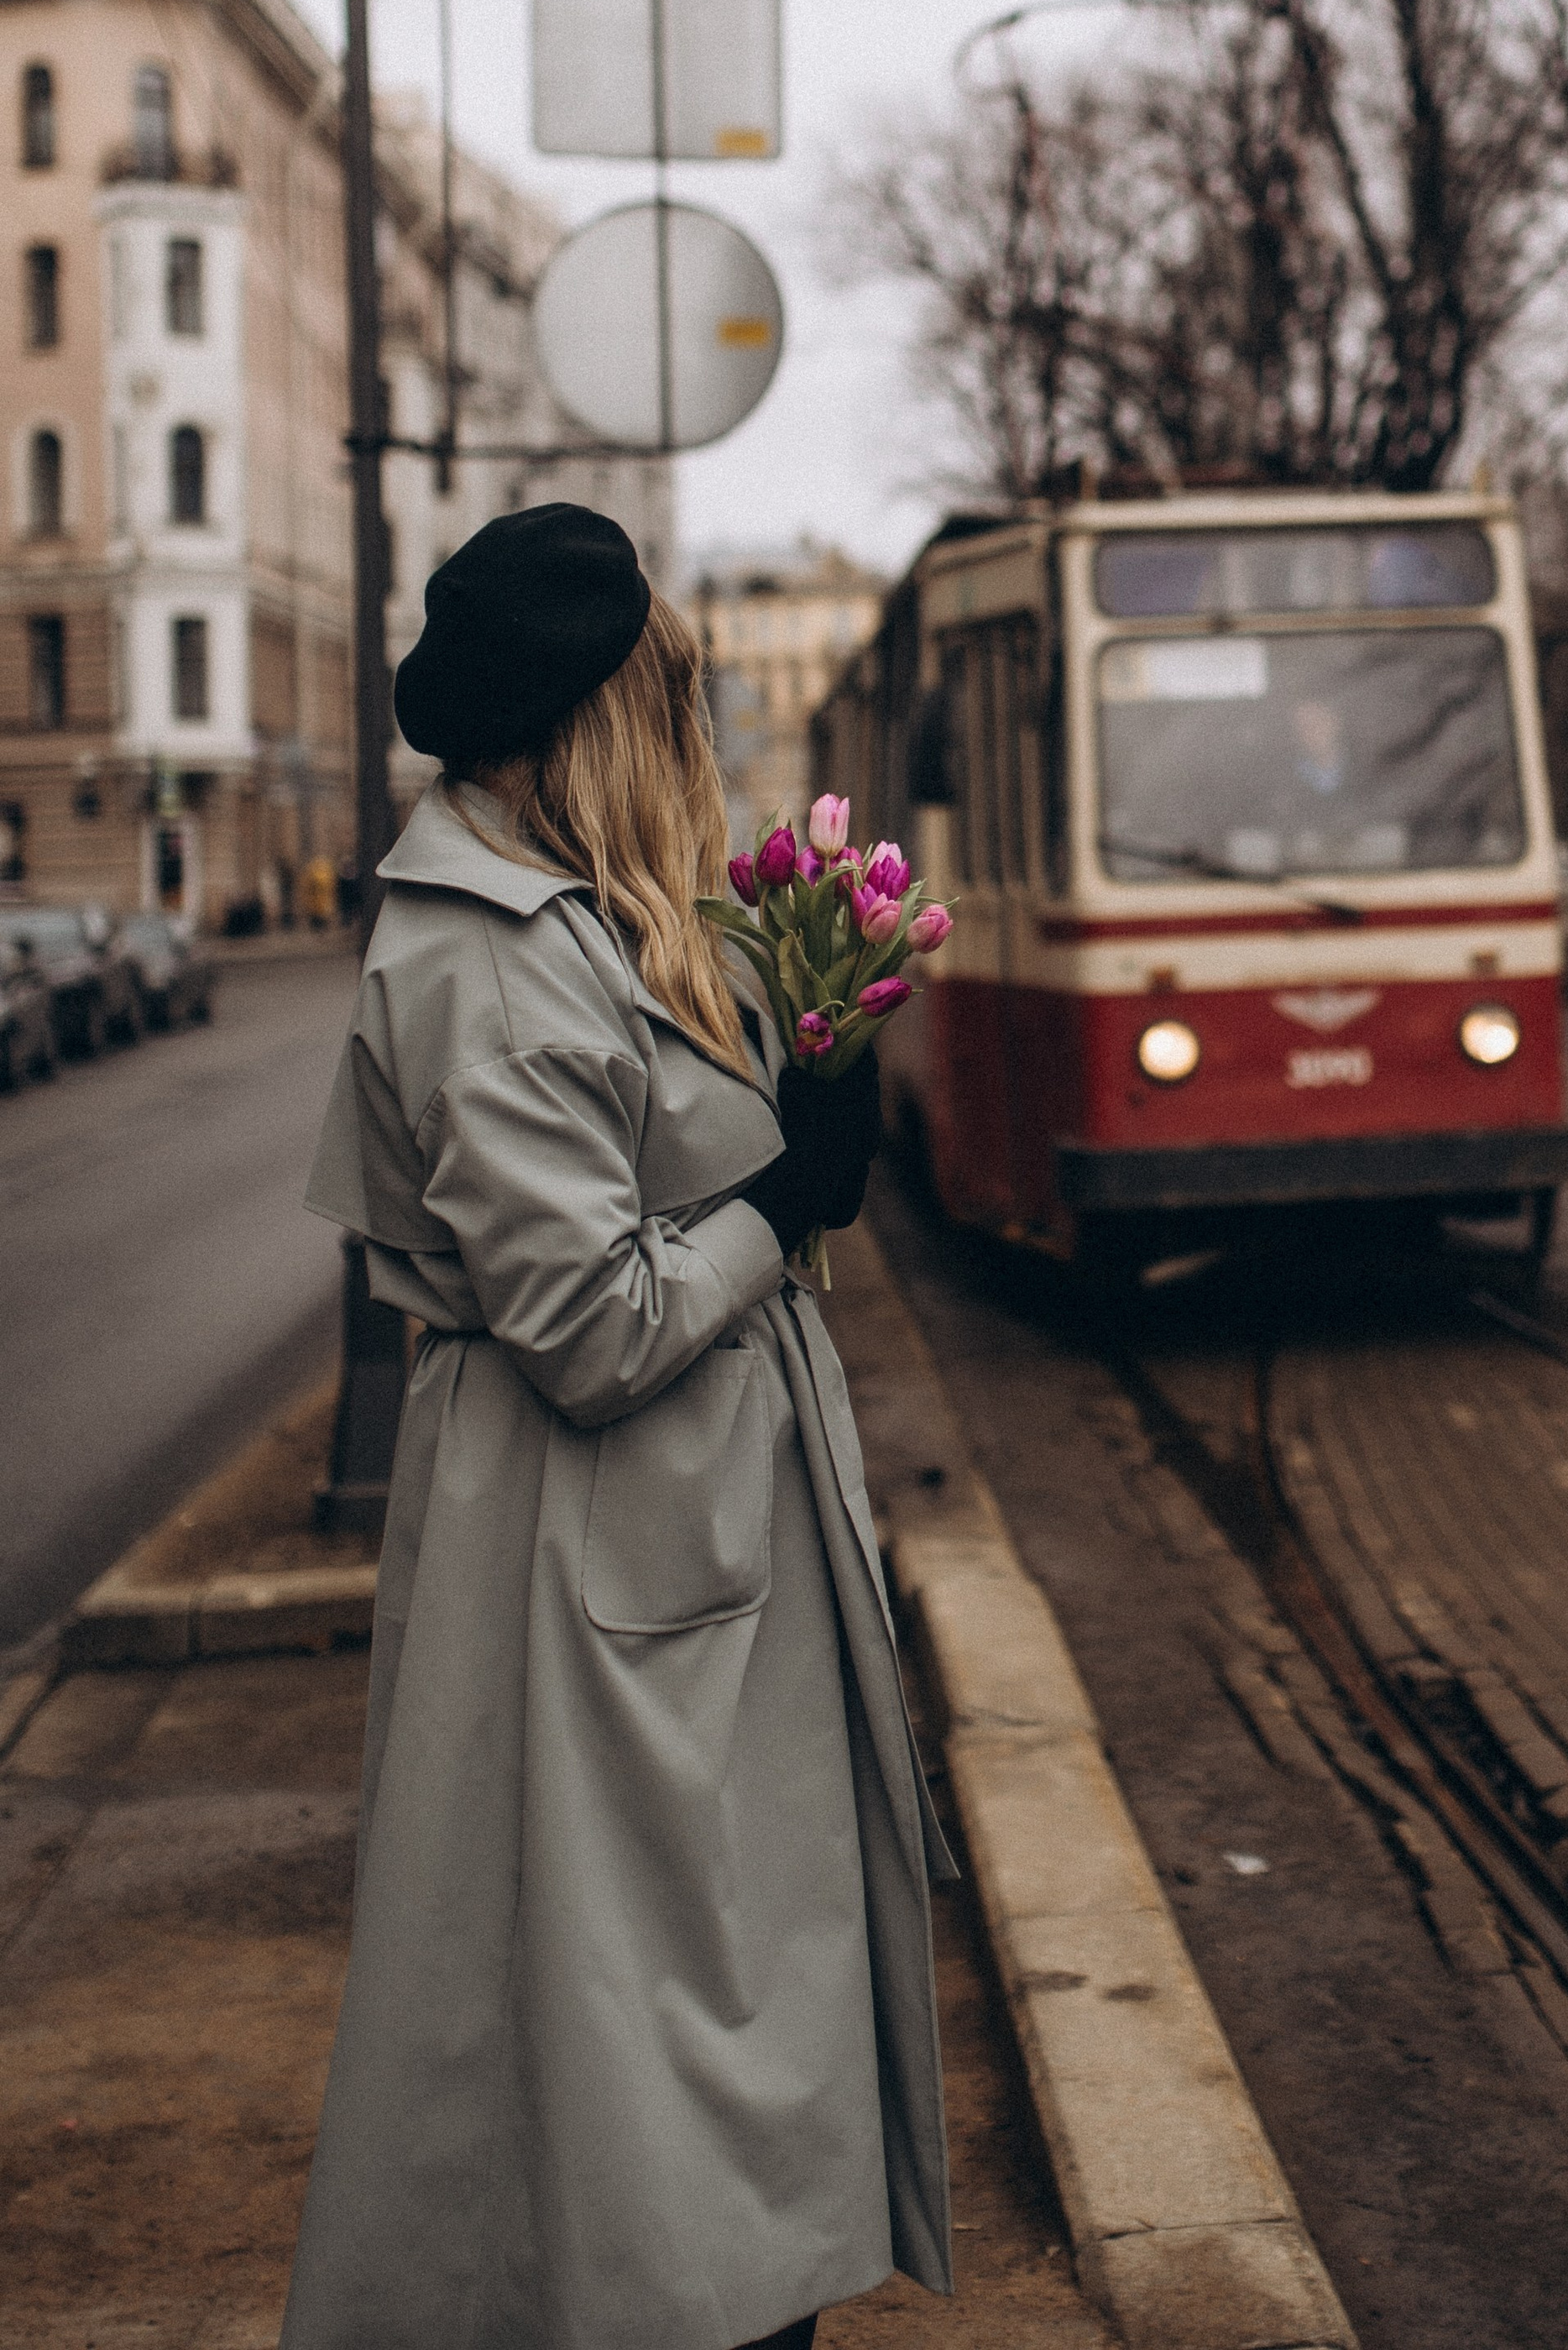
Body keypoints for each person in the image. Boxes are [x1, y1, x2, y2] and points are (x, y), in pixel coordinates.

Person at [281, 504, 953, 2350]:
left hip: (664, 1578)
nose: (692, 738)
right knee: (642, 2107)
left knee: (693, 2096)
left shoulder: (577, 916)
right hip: (597, 1582)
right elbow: (588, 1321)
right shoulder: (487, 954)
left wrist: (800, 1064)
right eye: (668, 701)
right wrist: (783, 1193)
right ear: (593, 716)